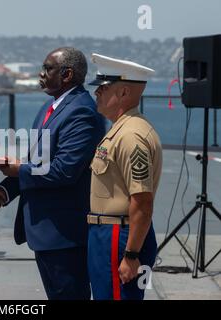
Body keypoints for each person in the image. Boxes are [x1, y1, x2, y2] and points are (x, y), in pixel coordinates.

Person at [0, 47, 106, 300]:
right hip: (46, 234)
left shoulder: (82, 112)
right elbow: (36, 163)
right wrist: (3, 192)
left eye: (47, 68)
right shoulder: (49, 108)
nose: (40, 74)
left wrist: (17, 169)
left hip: (64, 235)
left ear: (67, 74)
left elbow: (63, 171)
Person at [86, 53, 162, 300]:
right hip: (109, 234)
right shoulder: (122, 129)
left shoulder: (131, 136)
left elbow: (142, 201)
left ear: (124, 92)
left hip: (120, 237)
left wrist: (130, 255)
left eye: (103, 88)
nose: (97, 93)